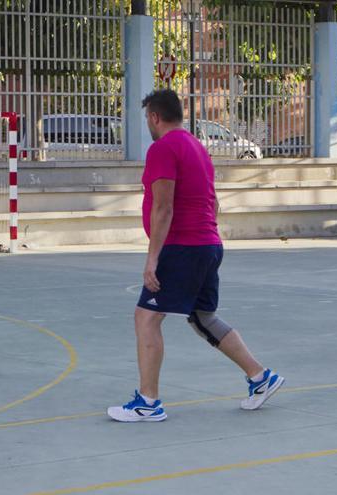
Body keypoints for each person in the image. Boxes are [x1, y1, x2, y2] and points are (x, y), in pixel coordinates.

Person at [107, 89, 284, 423]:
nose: (148, 123)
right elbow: (214, 203)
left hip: (183, 247)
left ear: (154, 117)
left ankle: (148, 402)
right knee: (202, 318)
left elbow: (163, 207)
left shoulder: (163, 148)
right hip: (208, 244)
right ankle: (261, 378)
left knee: (146, 318)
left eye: (147, 117)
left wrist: (152, 258)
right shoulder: (197, 147)